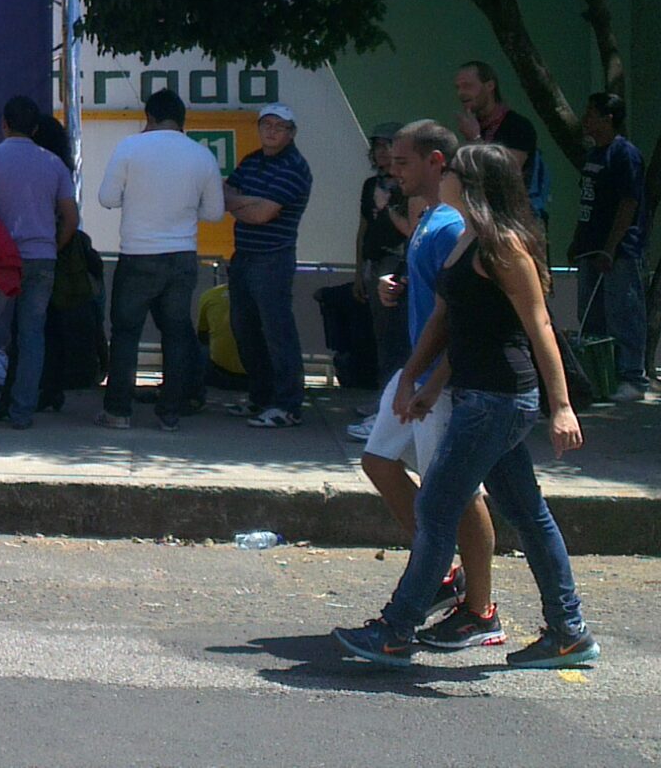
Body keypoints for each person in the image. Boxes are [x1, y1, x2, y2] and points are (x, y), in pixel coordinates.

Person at [334, 141, 598, 670]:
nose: (445, 175)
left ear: (472, 182)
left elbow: (540, 326)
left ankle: (396, 629)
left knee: (437, 507)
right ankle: (568, 632)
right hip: (475, 393)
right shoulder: (465, 237)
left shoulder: (504, 247)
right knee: (526, 512)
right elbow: (447, 320)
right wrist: (422, 381)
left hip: (500, 398)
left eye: (453, 170)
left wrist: (562, 407)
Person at [356, 120, 500, 649]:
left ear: (436, 162)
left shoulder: (451, 225)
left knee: (461, 494)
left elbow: (459, 311)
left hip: (441, 375)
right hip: (416, 368)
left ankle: (481, 609)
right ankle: (439, 571)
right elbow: (436, 291)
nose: (393, 171)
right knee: (378, 461)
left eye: (403, 162)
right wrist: (398, 285)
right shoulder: (429, 219)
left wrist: (433, 380)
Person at [95, 89, 224, 430]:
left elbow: (107, 197)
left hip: (137, 254)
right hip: (182, 255)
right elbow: (214, 212)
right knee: (176, 333)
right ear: (182, 120)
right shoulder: (202, 155)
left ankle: (118, 411)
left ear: (149, 117)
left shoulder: (129, 147)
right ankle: (170, 413)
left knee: (126, 333)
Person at [0, 96, 80, 430]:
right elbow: (71, 218)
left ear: (4, 124)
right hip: (42, 257)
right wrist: (52, 245)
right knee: (32, 334)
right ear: (35, 128)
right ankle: (22, 412)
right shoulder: (54, 164)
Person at [223, 102, 313, 427]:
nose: (271, 131)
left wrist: (240, 204)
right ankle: (260, 397)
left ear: (291, 132)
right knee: (244, 329)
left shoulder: (294, 167)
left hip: (273, 258)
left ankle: (288, 405)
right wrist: (248, 202)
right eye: (266, 125)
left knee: (278, 332)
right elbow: (224, 194)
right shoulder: (251, 160)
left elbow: (262, 214)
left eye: (279, 127)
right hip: (243, 256)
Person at [571, 92, 650, 402]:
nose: (585, 119)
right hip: (589, 246)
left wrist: (611, 247)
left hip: (618, 250)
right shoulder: (594, 154)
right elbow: (588, 202)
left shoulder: (624, 154)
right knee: (590, 315)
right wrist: (578, 240)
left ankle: (632, 377)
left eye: (592, 113)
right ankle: (600, 376)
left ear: (609, 118)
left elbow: (628, 202)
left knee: (624, 312)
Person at [352, 123, 413, 420]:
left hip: (396, 262)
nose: (382, 153)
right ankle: (383, 396)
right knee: (381, 336)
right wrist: (358, 272)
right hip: (373, 262)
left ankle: (393, 402)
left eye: (389, 146)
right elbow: (363, 228)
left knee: (396, 336)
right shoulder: (369, 185)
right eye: (377, 147)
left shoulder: (407, 186)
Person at [455, 60, 548, 225]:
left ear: (490, 86)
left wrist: (475, 139)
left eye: (468, 86)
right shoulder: (475, 125)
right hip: (482, 219)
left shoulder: (516, 125)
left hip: (513, 221)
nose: (461, 93)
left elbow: (505, 173)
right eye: (458, 87)